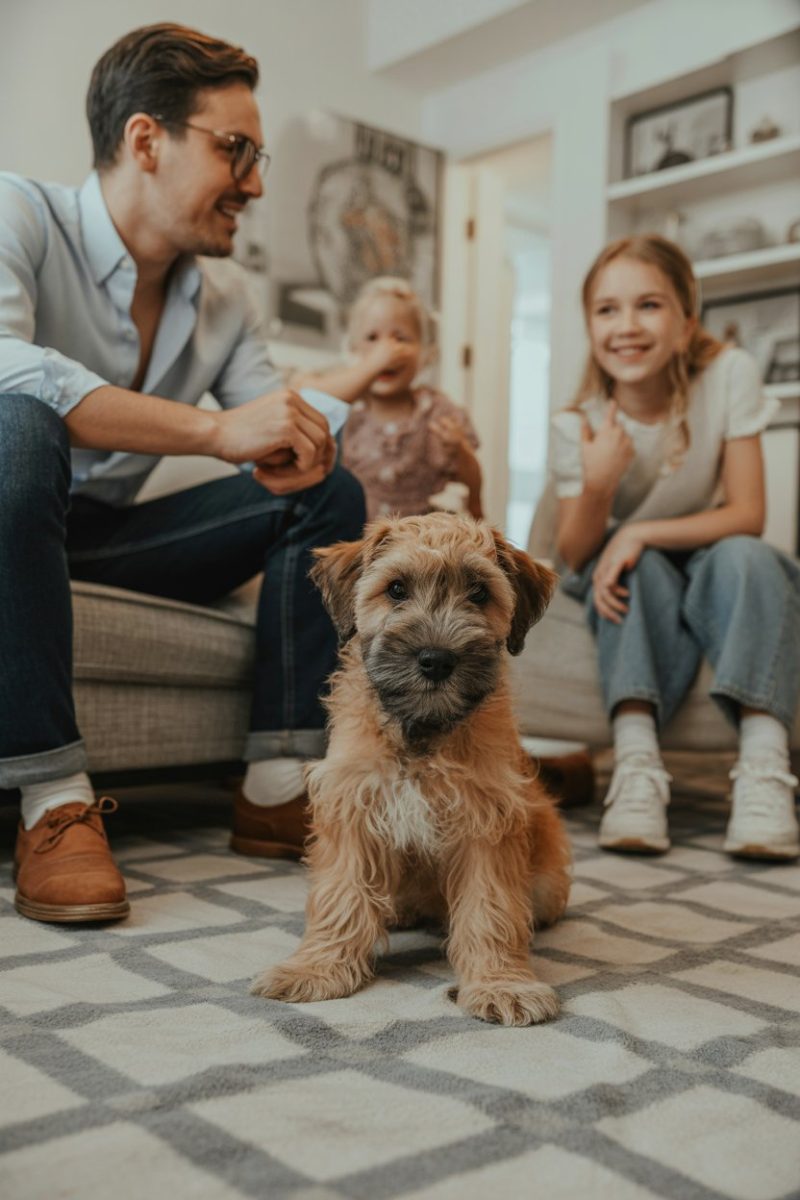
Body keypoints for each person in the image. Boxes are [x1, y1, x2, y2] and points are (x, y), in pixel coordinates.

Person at [0, 23, 366, 924]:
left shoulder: (227, 299)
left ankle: (279, 784)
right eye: (234, 149)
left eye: (257, 154)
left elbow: (270, 423)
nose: (255, 181)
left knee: (331, 493)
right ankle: (53, 798)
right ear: (144, 139)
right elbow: (8, 366)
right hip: (11, 508)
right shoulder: (18, 212)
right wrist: (216, 431)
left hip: (108, 538)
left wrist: (304, 435)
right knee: (16, 424)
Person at [550, 233, 800, 859]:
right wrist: (601, 486)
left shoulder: (728, 374)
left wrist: (641, 528)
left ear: (687, 323)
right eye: (607, 310)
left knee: (751, 557)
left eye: (649, 306)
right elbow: (575, 555)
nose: (626, 327)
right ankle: (636, 767)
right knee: (637, 569)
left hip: (710, 547)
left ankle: (765, 772)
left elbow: (748, 514)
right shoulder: (576, 421)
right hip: (624, 565)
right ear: (589, 325)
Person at [294, 276, 483, 520]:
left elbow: (471, 479)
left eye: (400, 338)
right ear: (353, 349)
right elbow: (305, 398)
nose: (386, 351)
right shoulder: (345, 409)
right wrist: (369, 367)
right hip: (353, 538)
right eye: (372, 338)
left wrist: (460, 451)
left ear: (424, 352)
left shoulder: (435, 411)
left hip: (416, 543)